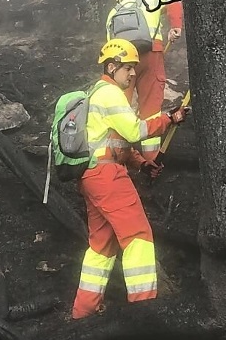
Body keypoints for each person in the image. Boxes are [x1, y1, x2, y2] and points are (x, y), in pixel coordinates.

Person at [72, 39, 190, 319]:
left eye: (134, 69)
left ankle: (82, 312)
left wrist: (142, 165)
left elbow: (117, 142)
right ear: (111, 67)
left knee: (101, 246)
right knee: (138, 237)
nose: (134, 74)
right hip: (108, 177)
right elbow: (135, 130)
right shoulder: (110, 94)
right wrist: (169, 119)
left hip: (93, 175)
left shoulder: (97, 95)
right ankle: (144, 312)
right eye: (128, 68)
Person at [104, 0, 183, 162]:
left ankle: (118, 159)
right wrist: (175, 25)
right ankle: (151, 160)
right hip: (151, 54)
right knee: (151, 108)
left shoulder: (112, 14)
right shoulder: (149, 0)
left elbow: (110, 47)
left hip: (122, 62)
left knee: (120, 109)